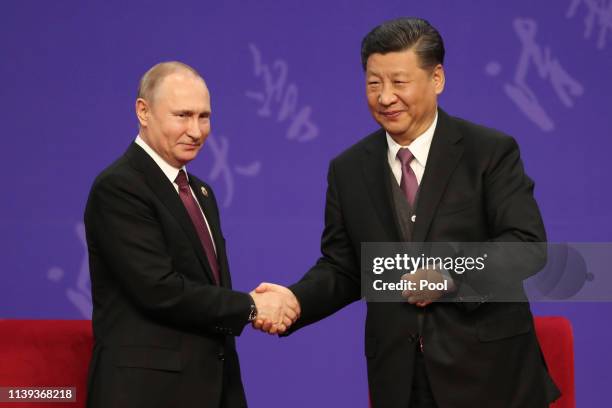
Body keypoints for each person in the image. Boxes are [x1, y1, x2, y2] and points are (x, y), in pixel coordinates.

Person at [254, 18, 560, 407]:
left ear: (437, 79)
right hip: (399, 381)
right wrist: (296, 300)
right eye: (373, 83)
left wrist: (450, 276)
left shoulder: (489, 152)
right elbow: (346, 267)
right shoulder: (348, 168)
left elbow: (526, 246)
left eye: (399, 83)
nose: (384, 97)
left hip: (492, 377)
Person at [84, 61, 299, 408]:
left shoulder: (200, 193)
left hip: (213, 388)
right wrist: (251, 306)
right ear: (143, 111)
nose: (196, 131)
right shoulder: (119, 188)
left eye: (204, 116)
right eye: (182, 116)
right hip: (146, 393)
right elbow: (159, 290)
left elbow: (210, 291)